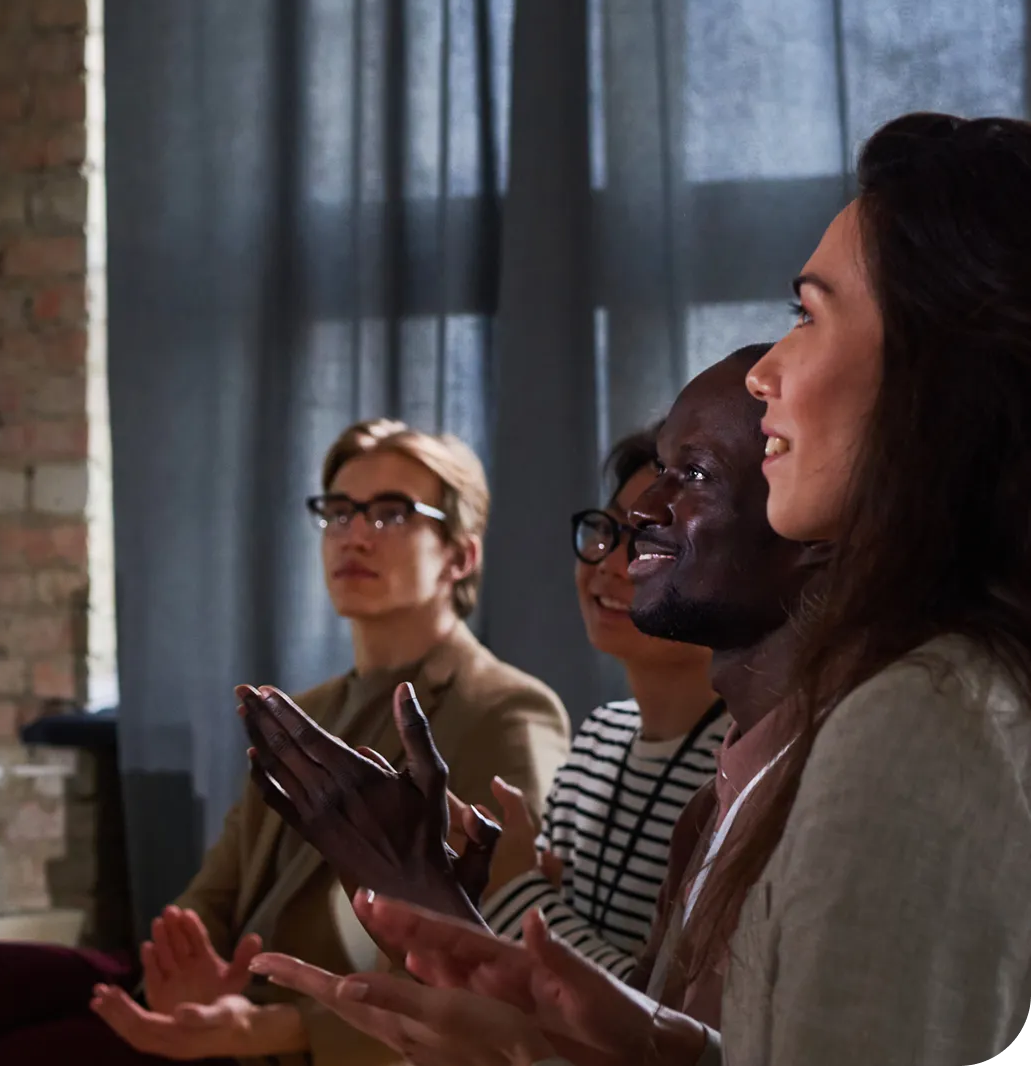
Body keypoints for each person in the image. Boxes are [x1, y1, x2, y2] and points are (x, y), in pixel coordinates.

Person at [253, 113, 1031, 1066]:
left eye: (809, 314)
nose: (771, 371)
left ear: (932, 372)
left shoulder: (918, 716)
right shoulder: (812, 740)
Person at [0, 418, 568, 1066]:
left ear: (460, 555)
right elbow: (214, 893)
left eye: (389, 512)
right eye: (338, 511)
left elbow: (489, 958)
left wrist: (260, 1026)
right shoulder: (302, 711)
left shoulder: (502, 710)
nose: (354, 533)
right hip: (218, 996)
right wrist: (183, 966)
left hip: (305, 1030)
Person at [479, 426, 728, 980]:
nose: (612, 564)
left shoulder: (741, 763)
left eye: (648, 540)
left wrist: (515, 892)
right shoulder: (599, 736)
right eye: (608, 530)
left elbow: (670, 1018)